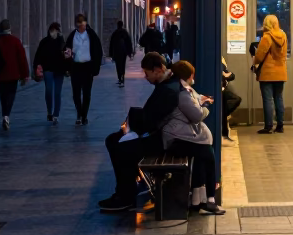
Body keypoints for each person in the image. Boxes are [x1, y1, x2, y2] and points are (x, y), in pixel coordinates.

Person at [100, 52, 182, 214]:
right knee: (113, 140)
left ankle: (126, 195)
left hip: (163, 140)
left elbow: (152, 121)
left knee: (123, 148)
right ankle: (123, 190)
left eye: (147, 73)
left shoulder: (168, 89)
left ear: (158, 69)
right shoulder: (166, 84)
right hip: (158, 133)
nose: (146, 77)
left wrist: (134, 124)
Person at [163, 60, 224, 215]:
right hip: (177, 139)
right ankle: (209, 200)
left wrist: (200, 101)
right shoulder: (183, 93)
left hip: (180, 136)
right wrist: (205, 106)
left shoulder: (181, 89)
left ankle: (200, 200)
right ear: (190, 75)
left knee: (204, 156)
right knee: (208, 155)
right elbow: (196, 115)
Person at [0, 18, 29, 131]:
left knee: (3, 95)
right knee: (11, 95)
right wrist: (25, 74)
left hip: (0, 74)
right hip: (13, 74)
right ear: (9, 28)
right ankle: (7, 115)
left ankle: (4, 115)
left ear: (0, 28)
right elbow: (22, 59)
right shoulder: (15, 41)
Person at [64, 13, 103, 125]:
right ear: (77, 25)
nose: (82, 26)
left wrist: (95, 67)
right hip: (76, 67)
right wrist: (67, 66)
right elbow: (67, 51)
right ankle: (79, 113)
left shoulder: (91, 35)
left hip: (87, 67)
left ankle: (84, 115)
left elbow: (98, 51)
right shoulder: (72, 36)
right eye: (80, 24)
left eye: (83, 24)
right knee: (76, 93)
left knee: (86, 93)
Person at [252, 14, 288, 133]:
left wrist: (255, 60)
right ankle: (280, 125)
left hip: (267, 73)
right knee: (279, 98)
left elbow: (260, 55)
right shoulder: (283, 35)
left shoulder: (266, 37)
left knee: (268, 99)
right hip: (280, 71)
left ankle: (268, 126)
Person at [33, 22, 66, 123]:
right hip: (48, 69)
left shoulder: (62, 42)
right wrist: (36, 68)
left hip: (60, 70)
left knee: (57, 93)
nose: (54, 32)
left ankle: (56, 114)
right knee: (48, 91)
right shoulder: (44, 42)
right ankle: (49, 112)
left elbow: (66, 56)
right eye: (53, 30)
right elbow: (38, 56)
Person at [221, 57, 241, 140]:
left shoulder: (221, 63)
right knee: (224, 109)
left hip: (222, 89)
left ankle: (224, 113)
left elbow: (231, 75)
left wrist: (226, 75)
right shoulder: (218, 62)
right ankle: (224, 134)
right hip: (219, 90)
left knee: (236, 99)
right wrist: (225, 75)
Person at [109, 21, 133, 87]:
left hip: (117, 52)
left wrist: (111, 54)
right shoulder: (125, 33)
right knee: (123, 64)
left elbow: (111, 44)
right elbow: (129, 43)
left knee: (118, 65)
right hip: (123, 52)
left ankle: (120, 77)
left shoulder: (115, 33)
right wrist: (130, 52)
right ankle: (122, 76)